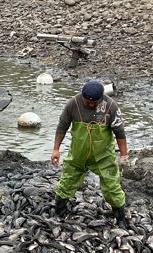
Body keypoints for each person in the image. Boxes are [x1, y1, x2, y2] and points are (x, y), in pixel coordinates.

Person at [51, 80, 129, 226]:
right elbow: (62, 127)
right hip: (78, 154)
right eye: (88, 102)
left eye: (95, 103)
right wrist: (56, 149)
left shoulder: (111, 106)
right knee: (67, 181)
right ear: (83, 97)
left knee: (112, 186)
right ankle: (59, 211)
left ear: (101, 97)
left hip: (103, 156)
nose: (92, 105)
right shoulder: (73, 104)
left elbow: (120, 133)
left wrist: (124, 156)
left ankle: (120, 217)